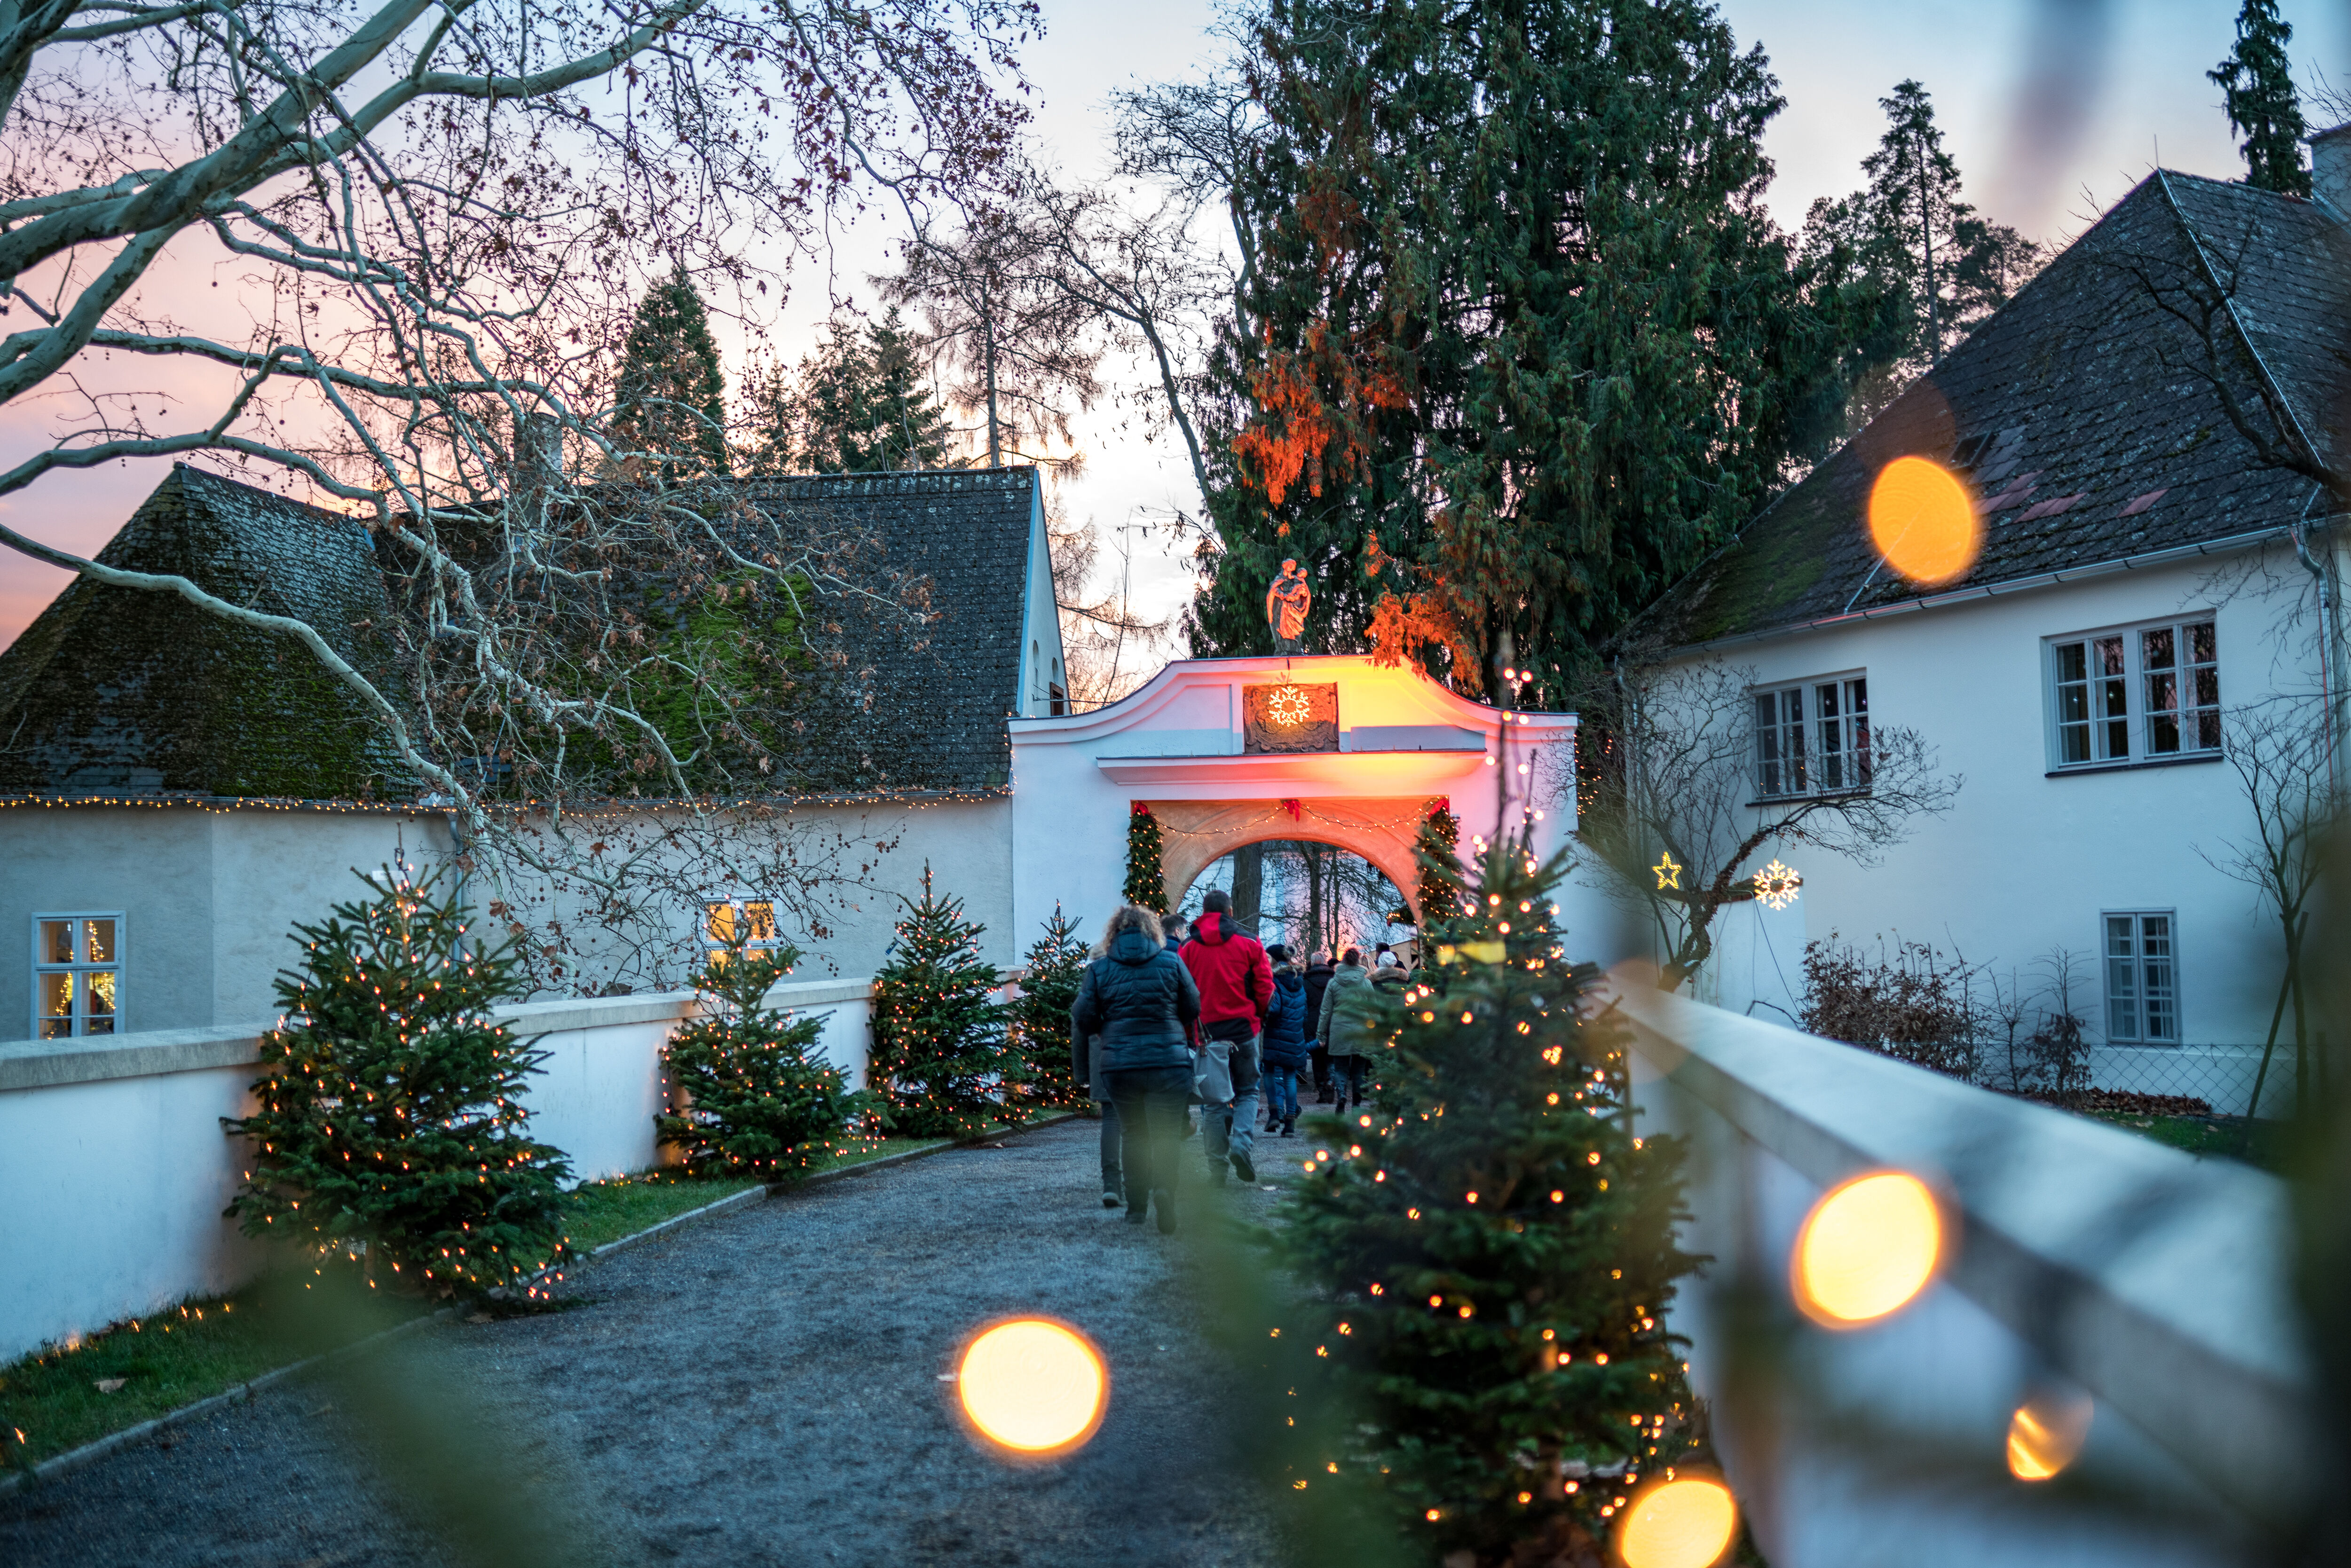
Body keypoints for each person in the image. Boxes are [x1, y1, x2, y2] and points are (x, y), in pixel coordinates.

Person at [1071, 905, 1200, 1232]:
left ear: (1114, 934)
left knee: (1133, 1134)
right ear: (1152, 932)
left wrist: (1107, 1028)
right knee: (1167, 1133)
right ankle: (1164, 1190)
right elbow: (1193, 1006)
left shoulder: (1100, 970)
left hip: (1120, 1063)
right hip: (1168, 1062)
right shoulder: (1172, 961)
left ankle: (1137, 1208)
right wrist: (1171, 1023)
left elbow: (1083, 1016)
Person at [1179, 887, 1274, 1185]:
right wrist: (1258, 1015)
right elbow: (1265, 986)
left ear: (1205, 913)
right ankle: (1242, 1145)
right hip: (1244, 1029)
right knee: (1247, 1091)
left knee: (1213, 1103)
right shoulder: (1250, 942)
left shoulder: (1188, 949)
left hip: (1206, 1035)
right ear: (1230, 912)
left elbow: (1183, 993)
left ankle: (1217, 1169)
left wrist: (1189, 1030)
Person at [1317, 947, 1378, 1116]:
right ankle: (1357, 1105)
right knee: (1359, 1071)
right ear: (1358, 962)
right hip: (1362, 1032)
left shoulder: (1334, 983)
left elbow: (1326, 1011)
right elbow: (1374, 1010)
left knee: (1340, 1069)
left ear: (1343, 961)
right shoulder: (1366, 983)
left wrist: (1321, 1034)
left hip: (1339, 1030)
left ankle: (1342, 1096)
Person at [1259, 944, 1310, 1137]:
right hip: (1295, 1035)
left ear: (1273, 958)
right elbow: (1304, 1012)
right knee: (1290, 1077)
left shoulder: (1274, 980)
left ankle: (1274, 1113)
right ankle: (1290, 1125)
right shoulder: (1299, 980)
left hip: (1275, 1034)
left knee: (1269, 1073)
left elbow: (1275, 1009)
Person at [1302, 951, 1337, 1103]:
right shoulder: (1334, 979)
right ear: (1325, 962)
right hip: (1332, 1021)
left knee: (1317, 1059)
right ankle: (1331, 1082)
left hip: (1313, 1022)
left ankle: (1322, 1091)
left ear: (1312, 962)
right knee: (1332, 1056)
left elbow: (1303, 1005)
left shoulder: (1305, 981)